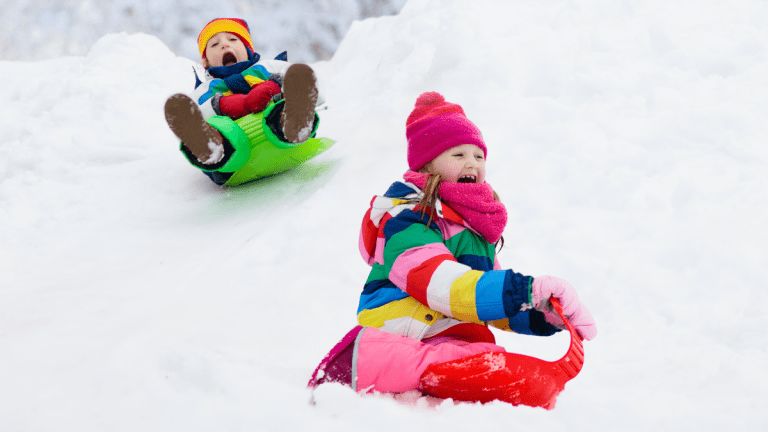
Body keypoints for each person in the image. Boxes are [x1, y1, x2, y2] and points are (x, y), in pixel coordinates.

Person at [308, 92, 596, 398]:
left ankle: (455, 368)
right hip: (408, 328)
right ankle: (363, 358)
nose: (472, 162)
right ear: (428, 166)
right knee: (485, 367)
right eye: (458, 155)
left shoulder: (473, 228)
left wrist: (540, 310)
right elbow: (439, 282)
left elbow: (486, 302)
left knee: (499, 366)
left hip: (448, 333)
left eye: (479, 156)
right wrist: (522, 289)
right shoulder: (408, 219)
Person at [164, 18, 332, 186]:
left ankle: (294, 123)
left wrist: (275, 85)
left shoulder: (267, 67)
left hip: (283, 135)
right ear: (205, 62)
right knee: (218, 126)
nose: (224, 45)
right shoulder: (206, 89)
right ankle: (212, 147)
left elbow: (316, 91)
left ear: (247, 49)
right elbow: (190, 120)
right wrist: (220, 106)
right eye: (214, 45)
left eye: (233, 39)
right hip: (232, 160)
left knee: (281, 104)